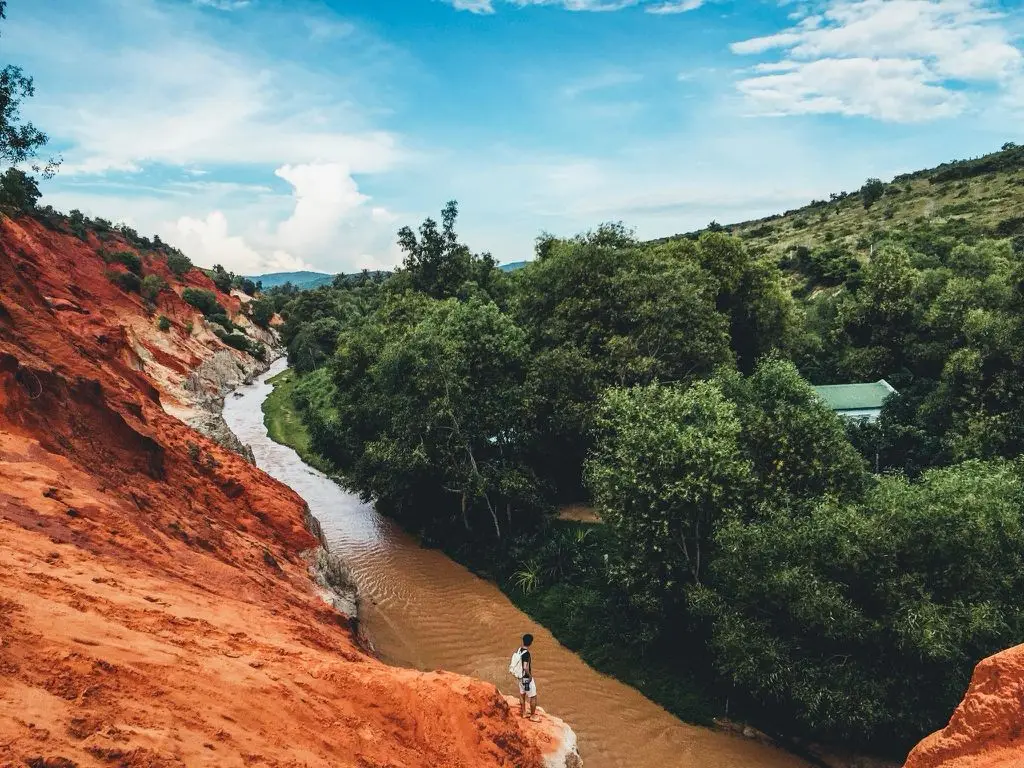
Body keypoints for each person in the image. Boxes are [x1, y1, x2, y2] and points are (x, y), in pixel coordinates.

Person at [515, 633, 539, 721]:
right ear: (531, 642)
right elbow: (525, 667)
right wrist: (530, 676)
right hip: (526, 678)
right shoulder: (527, 654)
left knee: (522, 694)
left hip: (520, 677)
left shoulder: (519, 650)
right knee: (533, 696)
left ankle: (524, 713)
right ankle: (532, 716)